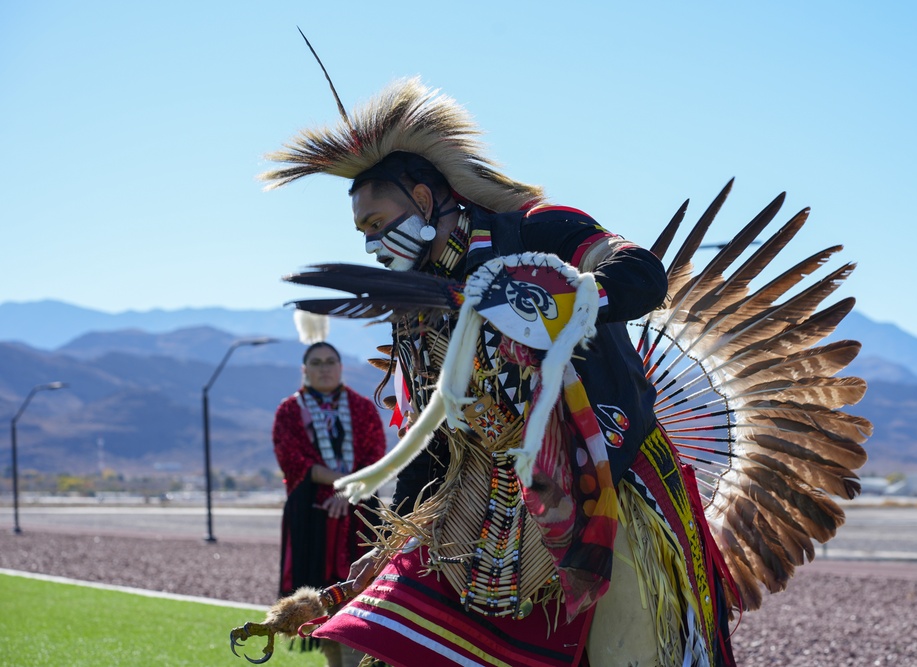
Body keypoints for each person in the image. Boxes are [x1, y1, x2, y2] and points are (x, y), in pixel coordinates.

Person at [261, 77, 738, 667]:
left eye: (379, 222)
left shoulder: (537, 230)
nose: (373, 244)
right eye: (363, 233)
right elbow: (434, 442)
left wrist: (562, 303)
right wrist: (392, 542)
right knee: (373, 642)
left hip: (605, 478)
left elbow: (641, 275)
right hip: (479, 503)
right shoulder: (422, 309)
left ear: (423, 195)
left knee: (629, 650)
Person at [272, 341, 386, 667]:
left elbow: (375, 457)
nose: (324, 368)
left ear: (341, 367)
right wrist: (340, 489)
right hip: (312, 519)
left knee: (362, 596)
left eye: (330, 361)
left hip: (360, 515)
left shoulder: (363, 408)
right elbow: (294, 461)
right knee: (320, 602)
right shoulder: (290, 411)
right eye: (316, 362)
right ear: (304, 370)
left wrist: (347, 494)